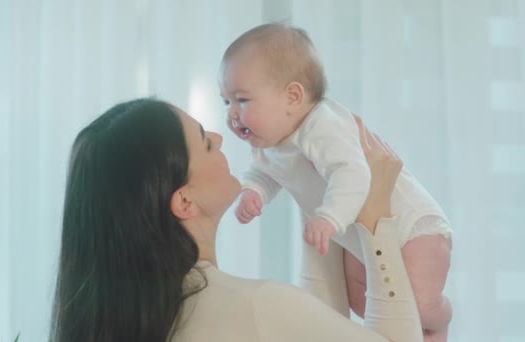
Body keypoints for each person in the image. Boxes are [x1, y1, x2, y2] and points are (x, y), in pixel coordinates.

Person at [50, 97, 423, 342]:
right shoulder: (255, 306)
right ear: (184, 200)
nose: (219, 137)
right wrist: (375, 218)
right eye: (205, 142)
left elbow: (318, 323)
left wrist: (322, 204)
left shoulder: (149, 321)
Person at [219, 23, 452, 341]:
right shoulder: (270, 143)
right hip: (358, 237)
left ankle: (442, 316)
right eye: (226, 103)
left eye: (241, 100)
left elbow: (352, 173)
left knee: (421, 305)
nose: (231, 114)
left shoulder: (322, 126)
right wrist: (252, 192)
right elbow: (263, 173)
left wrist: (328, 217)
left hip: (414, 228)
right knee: (361, 301)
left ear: (293, 96)